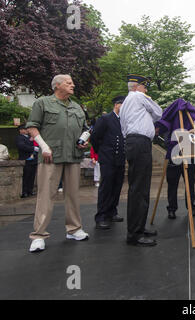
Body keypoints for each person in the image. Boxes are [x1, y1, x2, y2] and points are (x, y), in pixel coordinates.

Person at [26, 74, 90, 253]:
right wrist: (44, 147)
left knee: (73, 195)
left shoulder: (77, 107)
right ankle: (38, 235)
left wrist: (84, 140)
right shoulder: (43, 103)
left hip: (73, 156)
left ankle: (74, 229)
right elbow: (32, 126)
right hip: (50, 156)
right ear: (57, 86)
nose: (73, 85)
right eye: (69, 83)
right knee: (46, 196)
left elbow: (86, 129)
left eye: (72, 82)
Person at [120, 74, 162, 246]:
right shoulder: (139, 96)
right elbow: (158, 113)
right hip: (140, 143)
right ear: (137, 87)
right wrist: (148, 100)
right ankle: (135, 234)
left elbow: (124, 127)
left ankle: (138, 226)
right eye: (146, 87)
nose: (147, 90)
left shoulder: (125, 104)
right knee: (139, 188)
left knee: (139, 187)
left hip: (132, 142)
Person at [155, 98, 195, 220]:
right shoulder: (176, 115)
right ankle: (173, 208)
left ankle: (190, 207)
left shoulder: (191, 115)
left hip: (189, 153)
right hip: (175, 153)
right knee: (173, 183)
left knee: (188, 183)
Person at [90, 96, 127, 230]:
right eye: (124, 104)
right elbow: (95, 137)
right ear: (117, 105)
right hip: (107, 158)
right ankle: (101, 216)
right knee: (106, 187)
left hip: (120, 158)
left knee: (117, 186)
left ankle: (112, 212)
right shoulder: (105, 119)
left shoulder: (124, 120)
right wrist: (102, 151)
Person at [16, 125, 38, 198]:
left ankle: (30, 190)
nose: (27, 130)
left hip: (33, 159)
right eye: (25, 129)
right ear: (21, 130)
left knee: (32, 176)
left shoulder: (29, 137)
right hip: (25, 159)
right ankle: (24, 192)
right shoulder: (20, 138)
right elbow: (22, 146)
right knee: (26, 176)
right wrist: (33, 148)